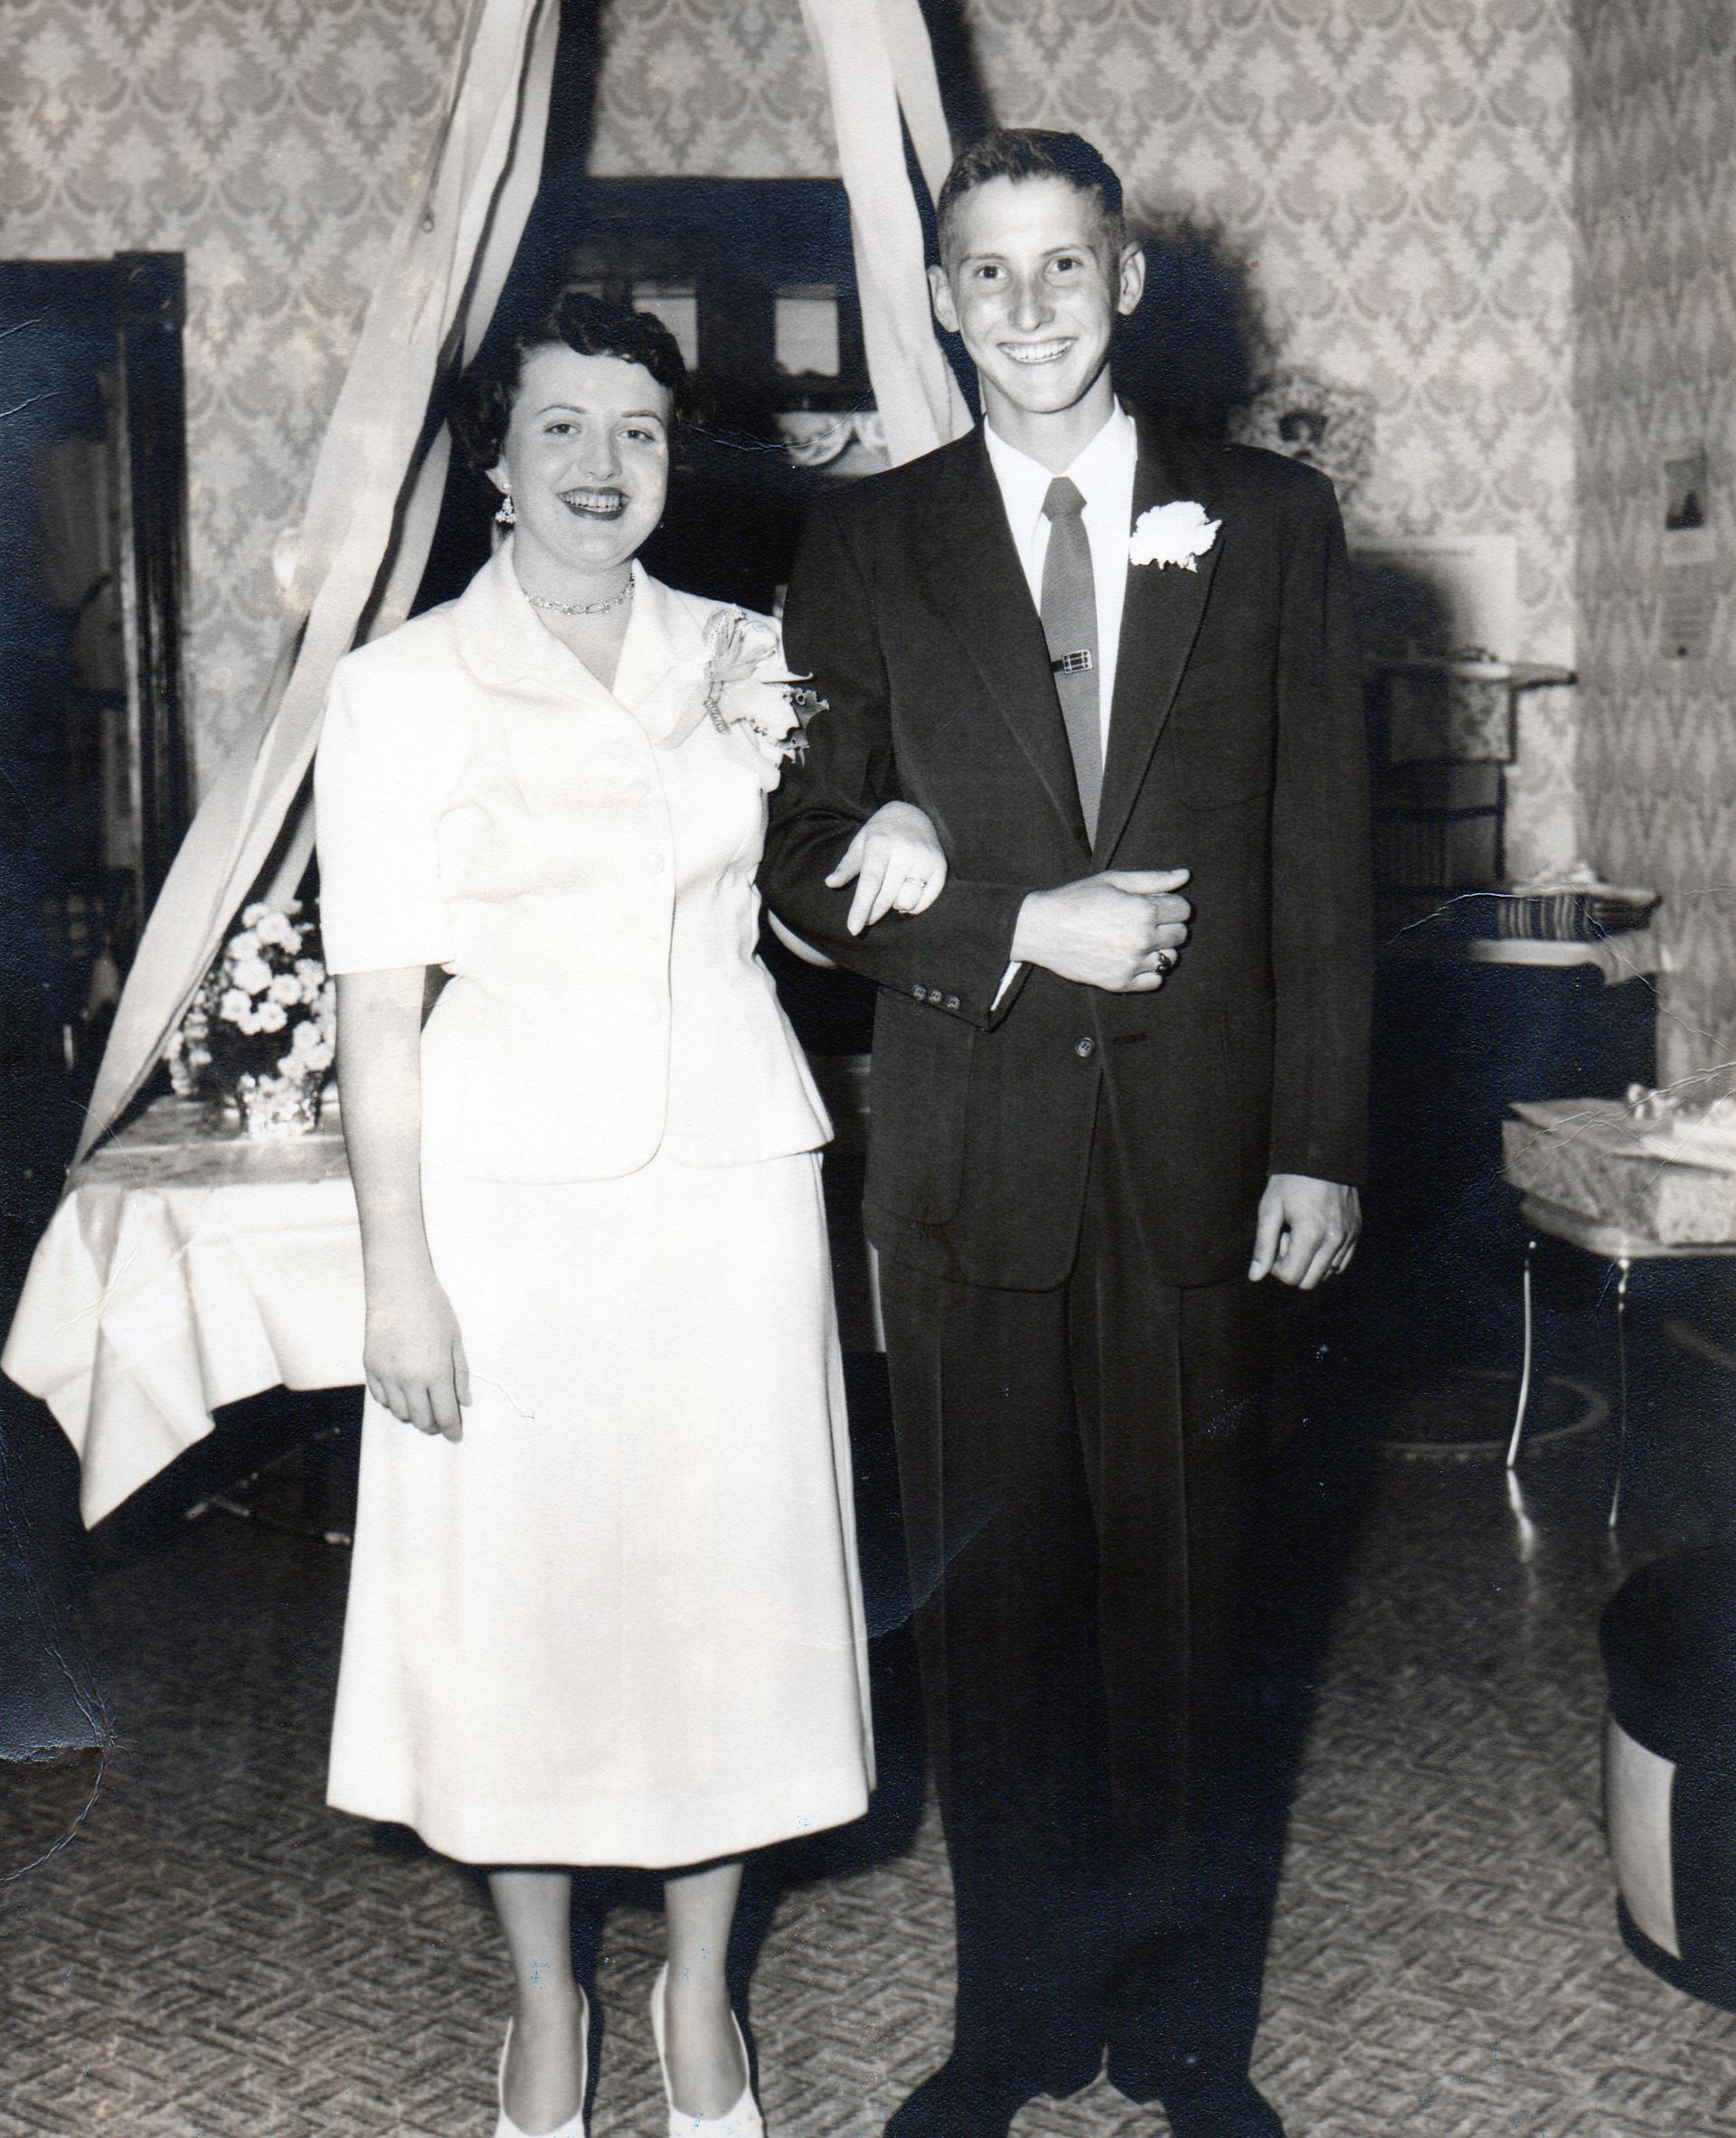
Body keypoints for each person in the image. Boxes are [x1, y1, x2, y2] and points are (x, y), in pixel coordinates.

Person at [760, 130, 1371, 2138]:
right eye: (987, 271)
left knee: (1198, 1611)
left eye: (1063, 266)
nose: (1027, 307)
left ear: (1127, 283)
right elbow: (798, 852)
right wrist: (1011, 917)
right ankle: (1011, 2027)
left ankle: (1190, 2039)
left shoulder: (1270, 519)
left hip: (1208, 1159)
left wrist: (1321, 1141)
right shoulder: (869, 540)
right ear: (942, 299)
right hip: (971, 1164)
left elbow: (1321, 856)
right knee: (997, 1625)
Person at [313, 289, 947, 2138]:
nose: (604, 465)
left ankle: (699, 1988)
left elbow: (825, 867)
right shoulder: (400, 689)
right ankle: (544, 1998)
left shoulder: (748, 651)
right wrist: (398, 1277)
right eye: (564, 428)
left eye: (642, 431)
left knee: (719, 1599)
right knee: (523, 1611)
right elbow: (375, 1009)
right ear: (498, 466)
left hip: (730, 1192)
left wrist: (905, 827)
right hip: (507, 1213)